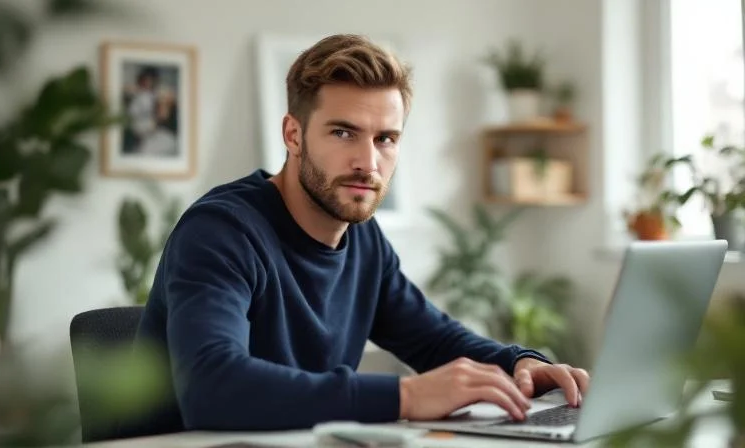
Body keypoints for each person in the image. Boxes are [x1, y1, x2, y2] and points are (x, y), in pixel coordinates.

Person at [134, 33, 590, 433]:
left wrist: (522, 364)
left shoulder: (363, 240)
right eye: (343, 133)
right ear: (293, 135)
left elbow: (435, 340)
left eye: (385, 139)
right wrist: (406, 397)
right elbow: (212, 387)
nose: (368, 163)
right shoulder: (222, 231)